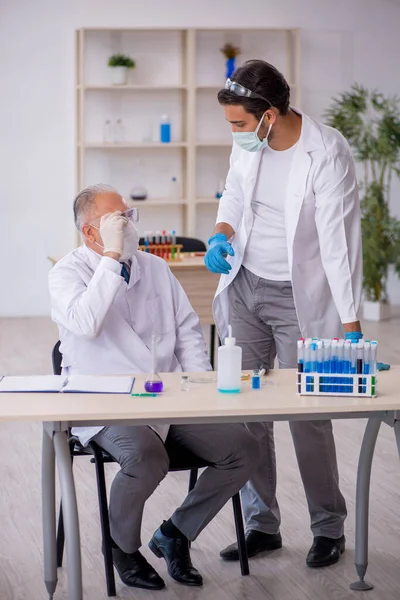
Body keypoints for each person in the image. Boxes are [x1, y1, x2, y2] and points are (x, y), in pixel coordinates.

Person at [48, 184, 260, 591]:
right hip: (104, 403)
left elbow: (187, 332)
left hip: (167, 396)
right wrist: (111, 258)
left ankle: (175, 533)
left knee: (243, 447)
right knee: (147, 457)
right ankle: (122, 548)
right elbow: (86, 322)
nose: (128, 226)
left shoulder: (156, 268)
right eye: (116, 221)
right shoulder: (67, 273)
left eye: (129, 216)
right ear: (91, 233)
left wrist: (201, 393)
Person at [204, 60, 363, 568]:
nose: (235, 134)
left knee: (308, 415)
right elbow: (233, 190)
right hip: (245, 285)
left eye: (239, 125)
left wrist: (353, 329)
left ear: (269, 114)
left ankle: (328, 527)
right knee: (246, 411)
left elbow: (340, 245)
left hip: (300, 296)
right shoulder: (249, 139)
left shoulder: (326, 152)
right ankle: (261, 525)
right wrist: (222, 231)